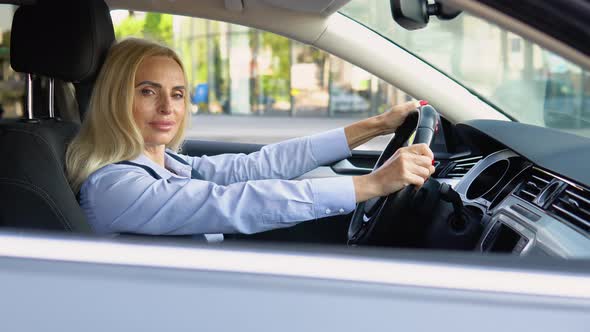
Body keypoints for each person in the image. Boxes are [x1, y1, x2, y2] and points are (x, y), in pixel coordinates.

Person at [65, 38, 435, 238]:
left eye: (177, 94)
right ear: (116, 97)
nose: (167, 107)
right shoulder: (115, 185)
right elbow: (233, 202)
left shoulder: (167, 165)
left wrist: (377, 124)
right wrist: (370, 184)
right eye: (148, 92)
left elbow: (255, 167)